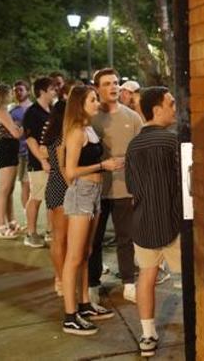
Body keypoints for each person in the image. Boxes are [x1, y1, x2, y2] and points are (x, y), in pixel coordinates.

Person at [125, 87, 182, 357]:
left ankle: (147, 335)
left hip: (144, 223)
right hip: (174, 223)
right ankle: (198, 325)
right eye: (171, 104)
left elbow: (132, 187)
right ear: (157, 109)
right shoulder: (173, 142)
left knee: (146, 278)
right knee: (188, 279)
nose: (175, 108)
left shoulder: (133, 145)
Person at [61, 85, 121, 335]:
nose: (98, 103)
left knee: (86, 251)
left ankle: (85, 303)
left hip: (94, 194)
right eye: (93, 99)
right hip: (81, 194)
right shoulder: (76, 132)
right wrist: (102, 165)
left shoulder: (89, 129)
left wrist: (109, 165)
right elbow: (70, 171)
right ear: (80, 104)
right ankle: (70, 315)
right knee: (74, 257)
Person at [88, 68, 143, 305]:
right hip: (96, 190)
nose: (113, 87)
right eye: (107, 83)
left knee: (126, 238)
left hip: (125, 188)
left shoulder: (132, 117)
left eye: (116, 82)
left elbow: (141, 154)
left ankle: (129, 283)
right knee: (94, 240)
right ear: (98, 88)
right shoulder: (89, 117)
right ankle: (92, 283)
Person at [22, 77, 57, 247]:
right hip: (39, 163)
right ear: (42, 91)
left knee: (51, 199)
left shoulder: (51, 110)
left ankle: (51, 231)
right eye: (51, 89)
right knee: (36, 197)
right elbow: (30, 140)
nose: (54, 91)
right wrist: (43, 160)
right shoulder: (32, 112)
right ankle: (30, 233)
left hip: (53, 162)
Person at [0, 84, 23, 238]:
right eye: (10, 93)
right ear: (3, 95)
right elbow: (16, 134)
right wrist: (22, 128)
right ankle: (1, 226)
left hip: (8, 150)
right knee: (4, 190)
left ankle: (11, 221)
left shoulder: (1, 111)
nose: (12, 95)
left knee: (9, 190)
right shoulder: (1, 111)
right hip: (6, 151)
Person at [43, 100, 69, 296]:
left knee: (57, 238)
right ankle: (61, 280)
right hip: (63, 187)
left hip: (53, 185)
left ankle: (60, 278)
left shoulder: (52, 135)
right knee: (61, 238)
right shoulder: (62, 138)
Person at [10, 80, 32, 221]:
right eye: (15, 90)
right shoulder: (12, 111)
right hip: (21, 153)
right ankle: (28, 217)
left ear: (28, 91)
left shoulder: (34, 109)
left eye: (20, 89)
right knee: (25, 186)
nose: (18, 92)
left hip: (34, 152)